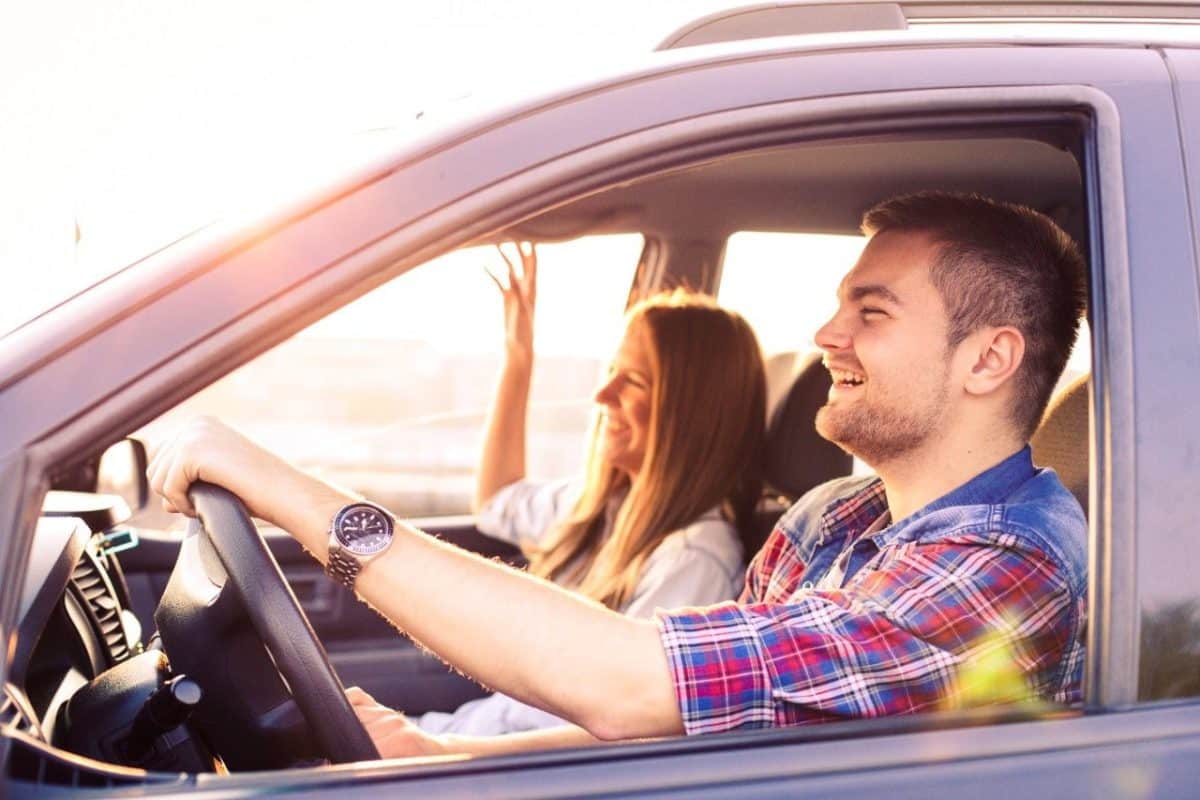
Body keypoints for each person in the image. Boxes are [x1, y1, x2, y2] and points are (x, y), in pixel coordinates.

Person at [149, 191, 1088, 759]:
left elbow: (636, 683)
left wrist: (281, 486)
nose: (825, 336)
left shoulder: (1011, 568)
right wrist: (442, 757)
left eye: (871, 313)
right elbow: (685, 718)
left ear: (988, 360)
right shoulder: (833, 517)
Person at [419, 244, 766, 735]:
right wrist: (519, 360)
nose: (602, 396)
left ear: (690, 412)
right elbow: (498, 503)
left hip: (495, 766)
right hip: (465, 734)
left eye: (634, 383)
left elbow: (628, 724)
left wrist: (433, 755)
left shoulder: (693, 559)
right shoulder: (607, 506)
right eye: (610, 373)